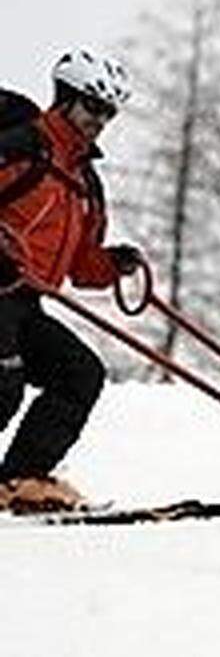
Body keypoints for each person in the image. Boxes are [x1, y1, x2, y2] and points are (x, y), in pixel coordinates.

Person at [0, 49, 143, 511]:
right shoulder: (21, 147)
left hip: (24, 302)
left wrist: (113, 263)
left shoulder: (86, 183)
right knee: (4, 385)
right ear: (65, 100)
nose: (99, 120)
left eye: (108, 113)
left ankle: (21, 479)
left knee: (79, 373)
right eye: (92, 107)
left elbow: (81, 268)